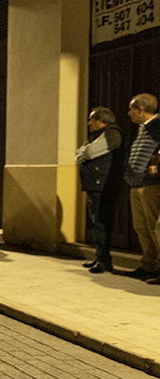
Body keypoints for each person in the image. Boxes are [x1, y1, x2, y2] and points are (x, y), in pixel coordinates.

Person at [76, 107, 124, 274]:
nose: (90, 123)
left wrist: (84, 153)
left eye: (93, 120)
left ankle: (104, 261)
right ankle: (99, 257)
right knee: (96, 222)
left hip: (103, 186)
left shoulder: (112, 133)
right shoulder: (96, 135)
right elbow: (77, 154)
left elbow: (87, 152)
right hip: (94, 185)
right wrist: (84, 154)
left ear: (102, 121)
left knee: (101, 223)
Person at [123, 93, 160, 282]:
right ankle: (148, 265)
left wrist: (154, 163)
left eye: (132, 109)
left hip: (150, 185)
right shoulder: (142, 128)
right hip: (136, 183)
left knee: (155, 228)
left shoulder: (157, 126)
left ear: (141, 110)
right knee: (141, 228)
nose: (129, 113)